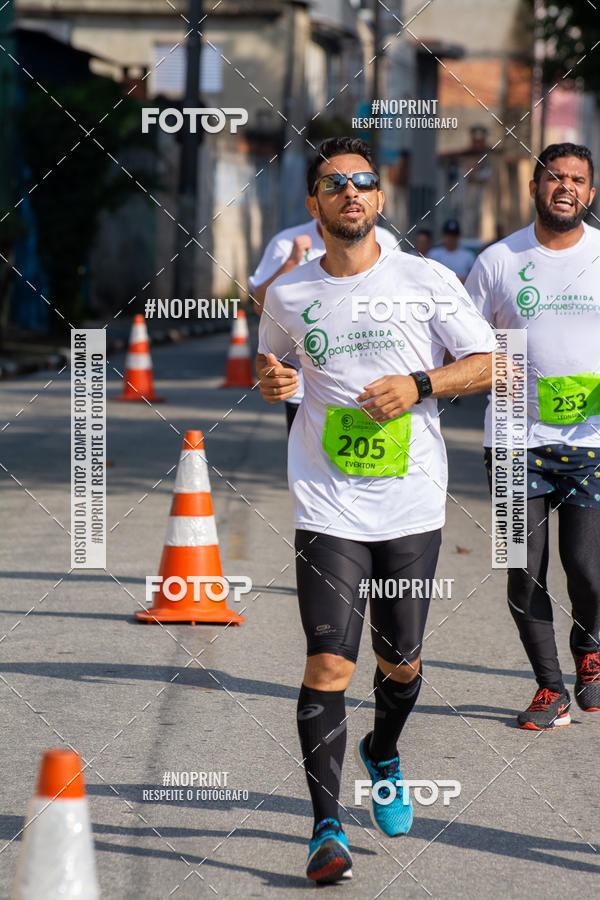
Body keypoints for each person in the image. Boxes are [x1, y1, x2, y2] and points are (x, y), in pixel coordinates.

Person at [255, 136, 495, 883]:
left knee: (402, 662)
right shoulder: (289, 294)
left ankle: (382, 750)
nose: (351, 193)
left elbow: (490, 362)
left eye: (363, 182)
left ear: (381, 198)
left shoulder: (424, 279)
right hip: (327, 502)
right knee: (330, 659)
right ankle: (326, 830)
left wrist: (419, 385)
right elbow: (277, 363)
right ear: (314, 204)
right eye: (335, 184)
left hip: (410, 503)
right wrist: (274, 381)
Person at [466, 142, 600, 730]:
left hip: (593, 441)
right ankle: (550, 689)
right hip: (513, 439)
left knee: (588, 567)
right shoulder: (498, 260)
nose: (565, 186)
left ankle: (590, 652)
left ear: (590, 193)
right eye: (554, 177)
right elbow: (463, 342)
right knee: (522, 568)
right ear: (535, 187)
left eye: (577, 179)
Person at [249, 218, 400, 432]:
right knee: (310, 453)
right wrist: (292, 261)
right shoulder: (285, 242)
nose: (347, 201)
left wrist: (416, 384)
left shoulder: (386, 240)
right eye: (333, 197)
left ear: (379, 203)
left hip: (380, 392)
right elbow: (260, 304)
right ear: (313, 205)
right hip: (308, 395)